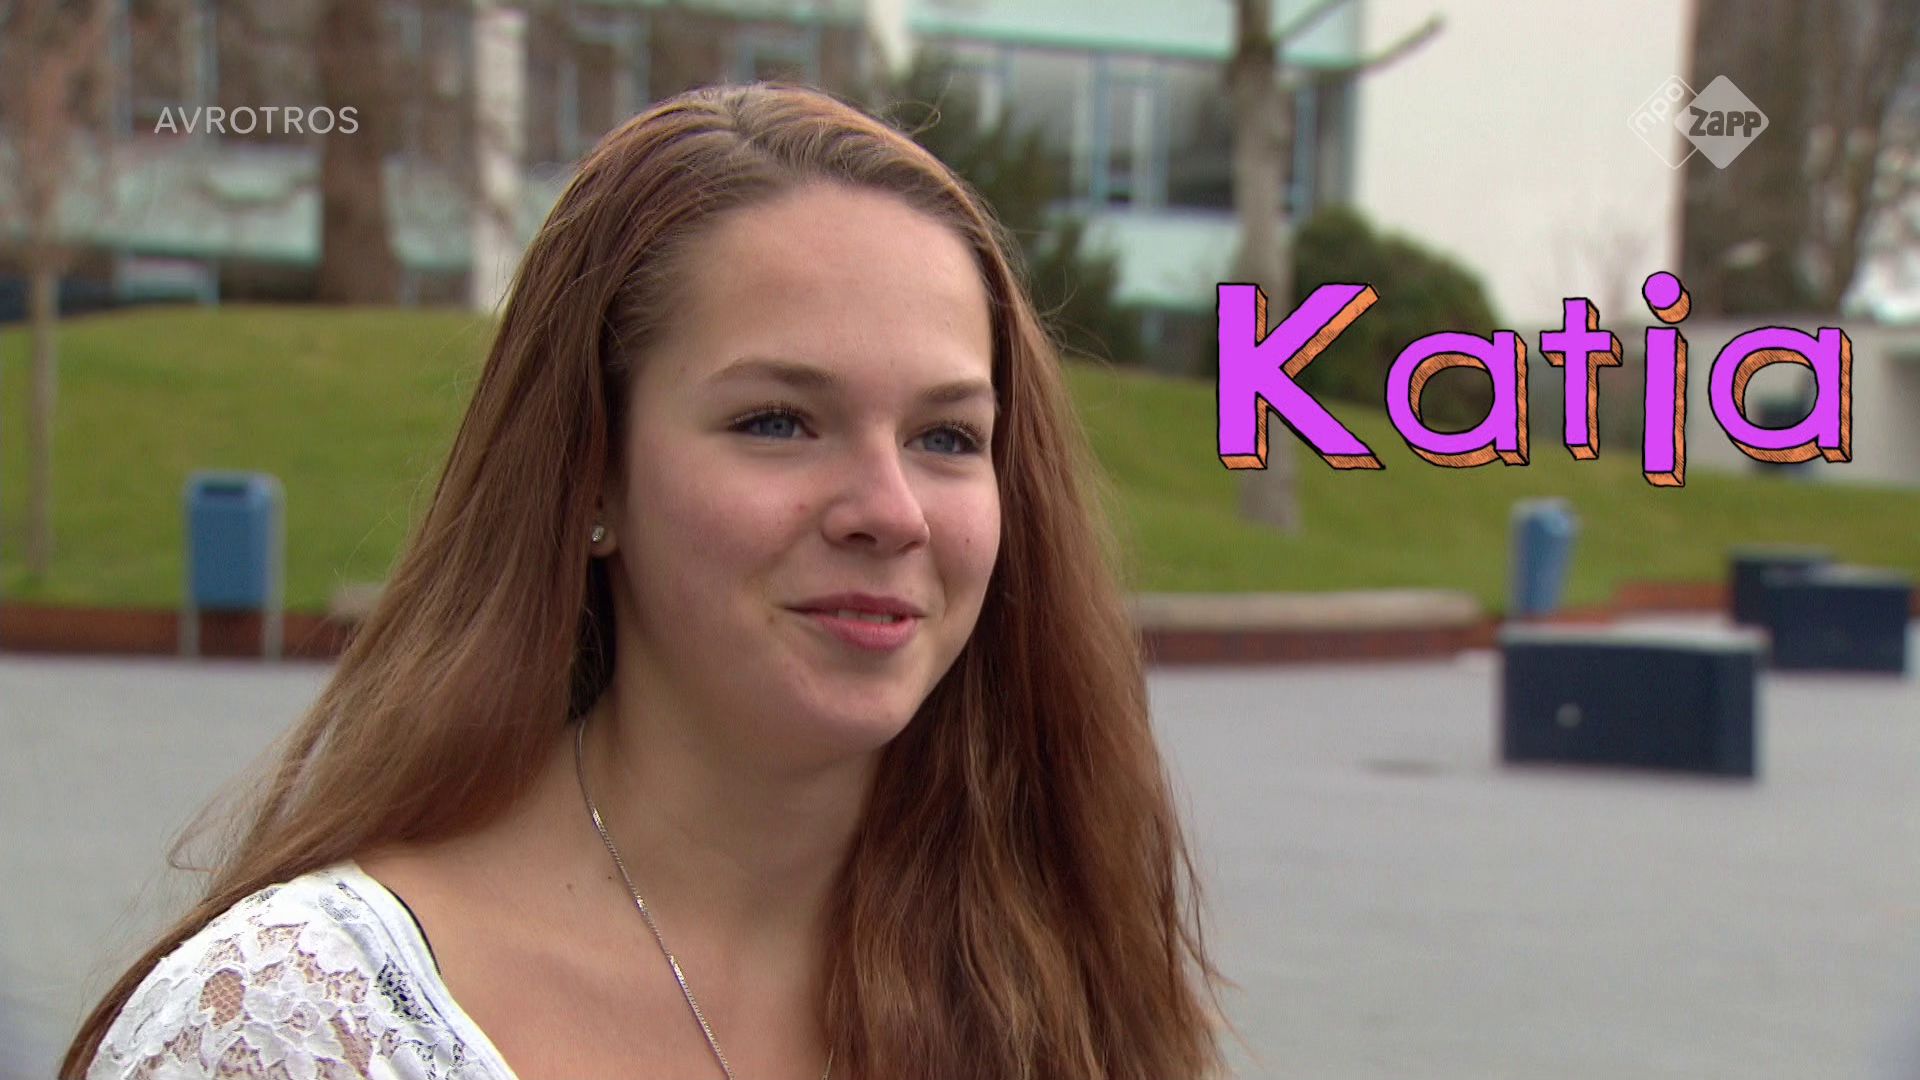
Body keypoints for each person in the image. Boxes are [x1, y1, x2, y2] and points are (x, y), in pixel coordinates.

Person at [66, 82, 1229, 1079]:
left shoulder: (1059, 981)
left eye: (947, 436)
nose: (890, 510)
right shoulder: (291, 1028)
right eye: (778, 421)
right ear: (593, 475)